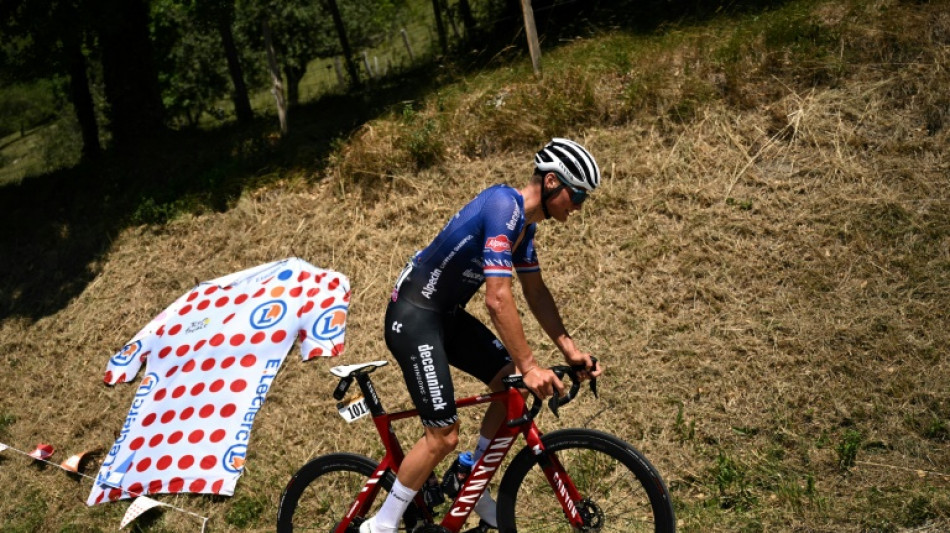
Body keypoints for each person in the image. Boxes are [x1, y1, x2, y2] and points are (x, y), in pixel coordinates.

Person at [362, 138, 604, 533]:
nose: (579, 205)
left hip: (446, 317)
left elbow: (536, 293)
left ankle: (466, 476)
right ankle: (382, 525)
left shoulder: (524, 230)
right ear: (551, 183)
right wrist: (529, 365)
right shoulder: (503, 207)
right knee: (443, 434)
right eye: (577, 194)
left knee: (509, 386)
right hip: (414, 316)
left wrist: (570, 349)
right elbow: (497, 298)